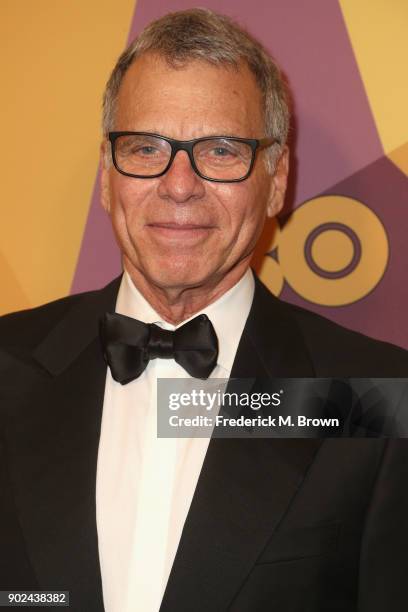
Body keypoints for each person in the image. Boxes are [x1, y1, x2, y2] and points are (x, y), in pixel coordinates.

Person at [1, 8, 408, 612]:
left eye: (220, 150)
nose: (180, 184)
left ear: (276, 179)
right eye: (146, 147)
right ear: (108, 176)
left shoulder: (375, 395)